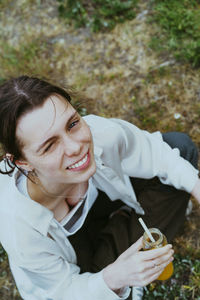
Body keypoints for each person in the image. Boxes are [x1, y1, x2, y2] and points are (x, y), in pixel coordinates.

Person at [0, 76, 199, 300]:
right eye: (49, 146)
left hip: (100, 201)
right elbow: (65, 289)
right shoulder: (20, 229)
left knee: (180, 149)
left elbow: (158, 153)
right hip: (76, 259)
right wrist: (114, 278)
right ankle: (122, 268)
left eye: (72, 124)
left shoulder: (99, 133)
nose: (76, 147)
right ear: (22, 162)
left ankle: (124, 235)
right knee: (96, 284)